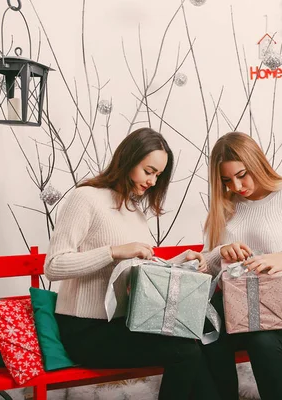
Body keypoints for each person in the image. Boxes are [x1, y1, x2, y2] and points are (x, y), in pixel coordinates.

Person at [45, 127, 218, 400]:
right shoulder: (85, 198)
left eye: (158, 175)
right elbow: (54, 265)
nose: (152, 181)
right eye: (148, 171)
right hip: (83, 330)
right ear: (128, 159)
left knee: (194, 343)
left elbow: (139, 269)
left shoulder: (134, 211)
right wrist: (113, 251)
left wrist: (179, 261)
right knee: (184, 352)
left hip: (122, 325)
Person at [202, 132, 282, 400]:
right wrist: (219, 253)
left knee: (262, 340)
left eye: (242, 174)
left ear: (257, 163)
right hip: (235, 304)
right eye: (226, 180)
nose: (236, 186)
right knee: (205, 329)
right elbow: (206, 268)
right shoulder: (225, 204)